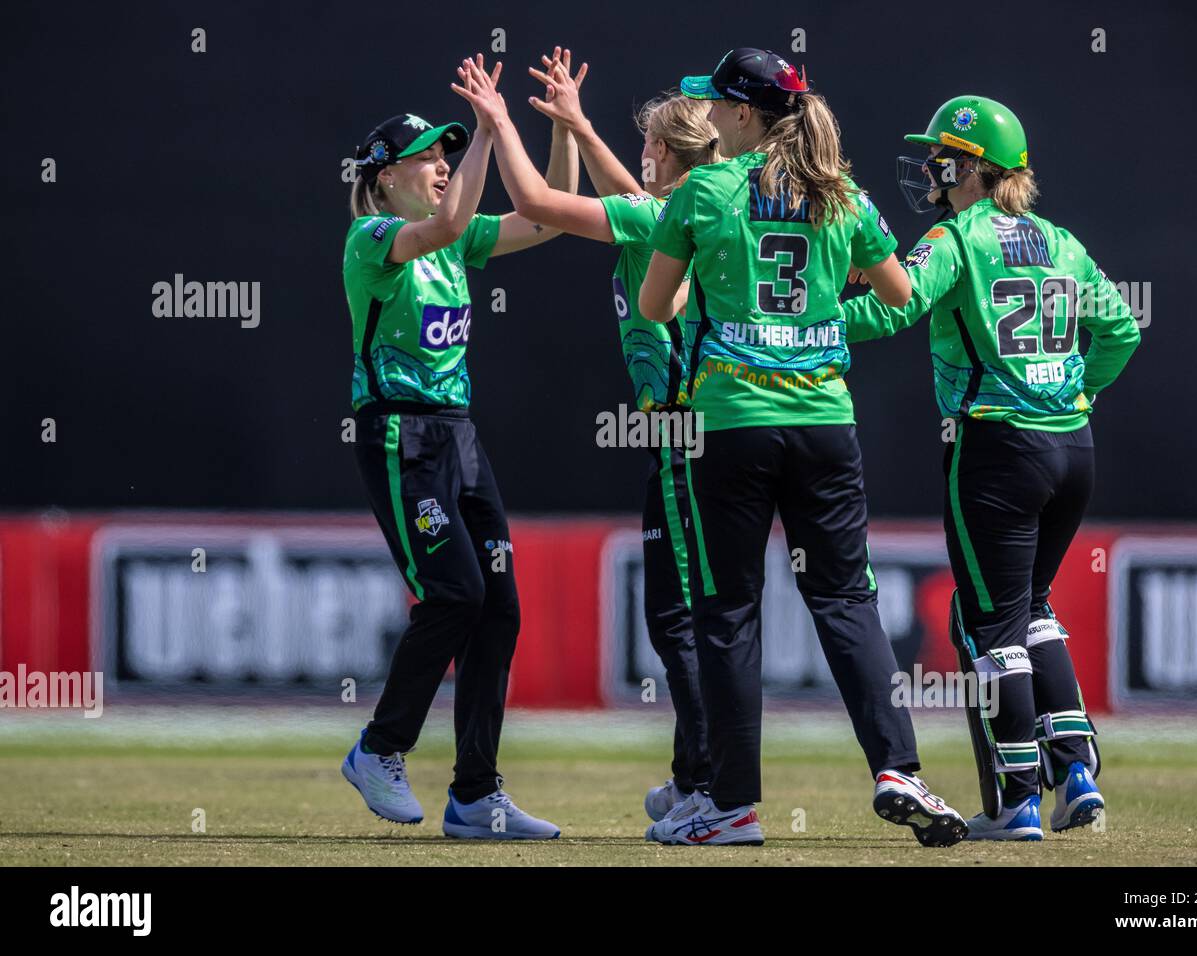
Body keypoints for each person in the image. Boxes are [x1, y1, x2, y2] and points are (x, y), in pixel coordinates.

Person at [637, 48, 967, 848]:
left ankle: (732, 807)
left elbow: (656, 305)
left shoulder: (705, 190)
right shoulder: (840, 195)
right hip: (825, 421)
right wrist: (812, 320)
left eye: (718, 105)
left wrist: (719, 293)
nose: (709, 117)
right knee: (847, 599)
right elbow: (899, 293)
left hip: (732, 426)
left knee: (728, 613)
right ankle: (898, 767)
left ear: (746, 115)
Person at [843, 95, 1141, 839]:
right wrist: (1077, 390)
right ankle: (1075, 773)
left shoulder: (956, 236)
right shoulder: (1060, 240)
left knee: (989, 626)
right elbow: (1122, 329)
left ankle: (1015, 803)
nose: (928, 171)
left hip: (996, 450)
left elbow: (893, 307)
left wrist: (811, 324)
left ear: (966, 167)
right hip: (1073, 446)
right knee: (1033, 608)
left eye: (938, 158)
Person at [451, 51, 719, 823]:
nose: (640, 154)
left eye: (650, 142)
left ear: (662, 152)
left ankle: (707, 784)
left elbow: (538, 198)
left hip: (679, 435)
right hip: (707, 434)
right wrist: (577, 123)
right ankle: (697, 773)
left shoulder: (658, 216)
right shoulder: (683, 214)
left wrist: (501, 124)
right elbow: (627, 196)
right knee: (702, 616)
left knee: (678, 621)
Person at [339, 54, 578, 840]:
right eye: (427, 157)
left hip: (461, 439)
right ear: (383, 178)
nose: (442, 166)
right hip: (401, 436)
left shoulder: (454, 242)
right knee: (455, 594)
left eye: (448, 154)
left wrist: (558, 127)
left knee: (499, 607)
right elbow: (443, 222)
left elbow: (546, 216)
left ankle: (477, 797)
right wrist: (484, 129)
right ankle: (379, 749)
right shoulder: (373, 239)